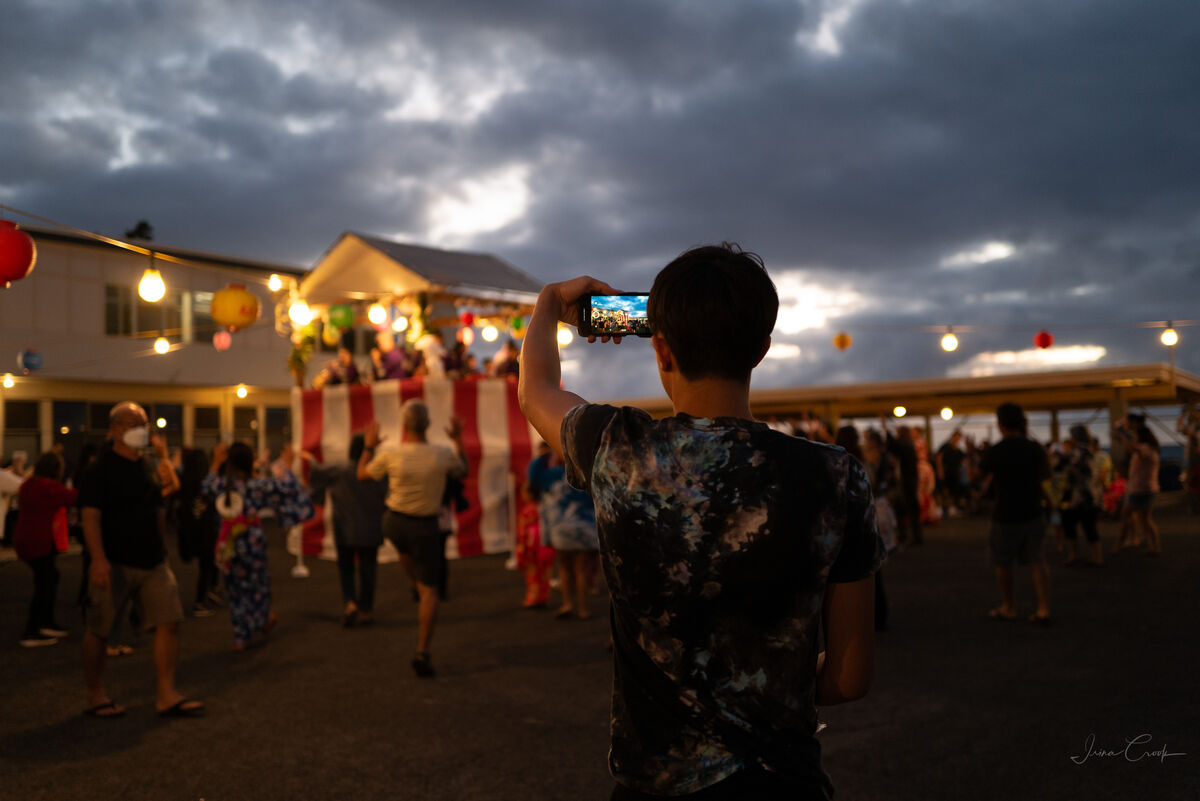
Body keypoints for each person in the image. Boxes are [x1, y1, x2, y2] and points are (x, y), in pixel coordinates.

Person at [518, 244, 883, 800]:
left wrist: (549, 304)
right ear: (760, 350)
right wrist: (763, 680)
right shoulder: (837, 477)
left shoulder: (616, 449)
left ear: (660, 349)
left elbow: (535, 390)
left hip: (655, 782)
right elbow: (849, 677)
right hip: (782, 783)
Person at [79, 402, 204, 718]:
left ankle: (166, 693)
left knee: (170, 621)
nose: (140, 429)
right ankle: (95, 694)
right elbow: (90, 517)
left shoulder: (147, 465)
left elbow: (158, 507)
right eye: (131, 422)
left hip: (152, 561)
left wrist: (163, 548)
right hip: (114, 560)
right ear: (114, 430)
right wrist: (97, 560)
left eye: (143, 423)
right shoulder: (100, 469)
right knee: (100, 628)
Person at [358, 402, 467, 678]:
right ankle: (422, 652)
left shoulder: (390, 453)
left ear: (403, 426)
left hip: (394, 523)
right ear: (428, 424)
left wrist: (368, 446)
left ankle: (414, 583)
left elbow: (362, 473)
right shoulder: (442, 454)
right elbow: (462, 468)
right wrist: (457, 439)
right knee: (430, 590)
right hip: (425, 526)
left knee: (407, 555)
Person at [203, 442, 313, 651]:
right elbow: (287, 488)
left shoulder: (221, 485)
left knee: (234, 590)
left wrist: (216, 462)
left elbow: (206, 485)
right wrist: (286, 464)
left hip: (229, 544)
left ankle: (240, 636)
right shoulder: (257, 486)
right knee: (258, 587)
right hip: (252, 542)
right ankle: (260, 620)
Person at [977, 402, 1052, 625]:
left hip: (1005, 513)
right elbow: (1047, 474)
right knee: (1038, 560)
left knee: (1003, 562)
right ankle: (1043, 608)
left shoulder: (996, 451)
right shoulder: (1034, 448)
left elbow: (976, 476)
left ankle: (1009, 607)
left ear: (1000, 424)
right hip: (1033, 510)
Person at [307, 434, 388, 627]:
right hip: (371, 529)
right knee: (369, 570)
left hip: (344, 528)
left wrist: (310, 460)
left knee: (346, 569)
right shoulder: (379, 473)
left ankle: (350, 604)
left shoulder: (338, 470)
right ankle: (366, 611)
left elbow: (317, 472)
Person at [527, 447, 599, 620]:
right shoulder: (586, 474)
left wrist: (541, 457)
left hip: (560, 530)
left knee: (564, 568)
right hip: (584, 528)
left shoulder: (550, 475)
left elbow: (532, 478)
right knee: (581, 570)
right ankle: (583, 609)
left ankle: (567, 604)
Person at [14, 452, 77, 647]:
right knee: (45, 583)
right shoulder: (49, 488)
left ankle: (45, 623)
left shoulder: (28, 485)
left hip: (24, 538)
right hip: (40, 541)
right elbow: (74, 497)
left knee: (48, 578)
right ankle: (32, 631)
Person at [175, 448, 221, 617]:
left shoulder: (184, 480)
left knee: (207, 566)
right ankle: (200, 602)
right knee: (208, 566)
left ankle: (207, 595)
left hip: (190, 530)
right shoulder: (206, 483)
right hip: (207, 531)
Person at [1111, 415, 1161, 555]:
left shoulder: (1145, 448)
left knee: (1126, 516)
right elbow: (1129, 445)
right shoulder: (1150, 449)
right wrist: (1120, 432)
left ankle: (1119, 545)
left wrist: (1122, 433)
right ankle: (1153, 546)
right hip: (1145, 488)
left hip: (1141, 489)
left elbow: (1131, 447)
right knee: (1145, 519)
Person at [1057, 426, 1102, 566]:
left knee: (1071, 525)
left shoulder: (1079, 450)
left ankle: (1074, 555)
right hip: (1090, 494)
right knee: (1089, 526)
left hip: (1080, 496)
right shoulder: (1089, 450)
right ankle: (1096, 557)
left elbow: (1063, 464)